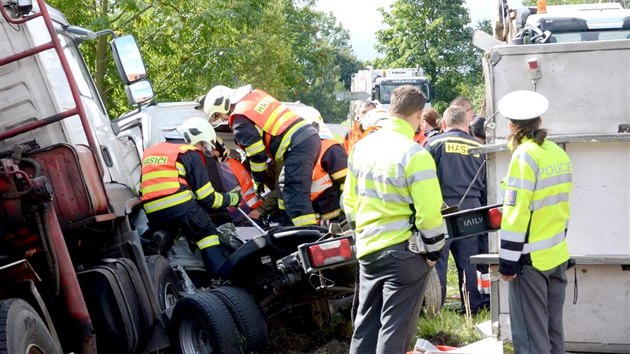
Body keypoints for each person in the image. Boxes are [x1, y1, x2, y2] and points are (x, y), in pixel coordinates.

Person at [344, 85, 446, 353]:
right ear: (419, 115)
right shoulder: (415, 154)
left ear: (391, 109)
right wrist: (433, 251)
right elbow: (429, 213)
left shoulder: (361, 148)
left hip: (368, 251)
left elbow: (349, 203)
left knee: (365, 327)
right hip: (403, 253)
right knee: (394, 331)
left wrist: (362, 236)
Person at [497, 90, 572, 354]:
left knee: (530, 337)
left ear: (510, 125)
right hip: (556, 255)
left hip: (530, 261)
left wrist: (508, 260)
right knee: (553, 333)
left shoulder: (524, 156)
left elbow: (516, 213)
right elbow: (560, 205)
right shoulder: (556, 152)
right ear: (539, 122)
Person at [203, 85, 321, 226]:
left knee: (294, 192)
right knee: (285, 188)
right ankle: (288, 227)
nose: (222, 119)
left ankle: (307, 234)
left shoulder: (239, 117)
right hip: (306, 139)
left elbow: (257, 155)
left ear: (223, 103)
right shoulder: (255, 96)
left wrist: (258, 181)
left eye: (218, 115)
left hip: (296, 145)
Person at [140, 117, 242, 277]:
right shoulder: (189, 152)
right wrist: (232, 199)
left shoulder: (152, 151)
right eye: (202, 144)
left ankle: (157, 240)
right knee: (205, 231)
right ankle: (220, 277)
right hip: (179, 203)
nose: (202, 149)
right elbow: (209, 199)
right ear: (195, 137)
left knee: (172, 229)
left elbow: (146, 185)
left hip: (151, 209)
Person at [424, 106, 489, 315]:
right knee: (469, 261)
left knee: (438, 261)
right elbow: (487, 184)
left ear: (443, 124)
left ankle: (436, 308)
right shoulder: (479, 147)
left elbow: (423, 178)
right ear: (467, 125)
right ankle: (473, 307)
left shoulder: (433, 143)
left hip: (441, 211)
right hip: (472, 211)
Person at [295, 106, 348, 223]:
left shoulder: (331, 149)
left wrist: (344, 211)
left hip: (332, 218)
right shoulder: (298, 150)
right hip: (310, 216)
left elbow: (347, 183)